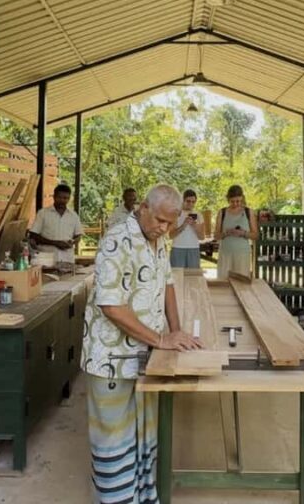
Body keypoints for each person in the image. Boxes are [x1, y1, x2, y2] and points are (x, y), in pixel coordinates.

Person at [81, 185, 202, 502]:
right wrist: (162, 339)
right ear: (144, 207)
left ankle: (144, 497)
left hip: (145, 356)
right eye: (160, 220)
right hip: (112, 360)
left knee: (143, 435)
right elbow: (111, 305)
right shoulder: (116, 240)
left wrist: (177, 333)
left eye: (170, 223)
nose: (164, 228)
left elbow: (168, 284)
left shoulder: (158, 240)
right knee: (113, 440)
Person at [28, 184, 83, 265]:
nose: (62, 200)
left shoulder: (73, 216)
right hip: (46, 259)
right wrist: (55, 243)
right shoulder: (43, 213)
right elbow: (34, 235)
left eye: (65, 198)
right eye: (59, 197)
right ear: (54, 197)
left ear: (69, 199)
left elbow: (78, 235)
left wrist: (72, 242)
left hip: (67, 259)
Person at [215, 185, 258, 279]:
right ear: (228, 199)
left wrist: (243, 233)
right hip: (225, 254)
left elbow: (255, 235)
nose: (235, 204)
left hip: (242, 254)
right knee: (223, 283)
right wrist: (226, 233)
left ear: (242, 198)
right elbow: (216, 236)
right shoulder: (222, 212)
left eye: (238, 201)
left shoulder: (248, 212)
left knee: (241, 283)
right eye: (232, 201)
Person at [169, 189, 205, 268]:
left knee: (193, 274)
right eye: (188, 201)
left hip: (194, 249)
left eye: (193, 202)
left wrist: (194, 226)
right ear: (182, 200)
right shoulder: (175, 214)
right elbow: (171, 235)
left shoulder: (199, 215)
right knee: (177, 274)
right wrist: (183, 225)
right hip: (178, 248)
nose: (191, 204)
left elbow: (202, 237)